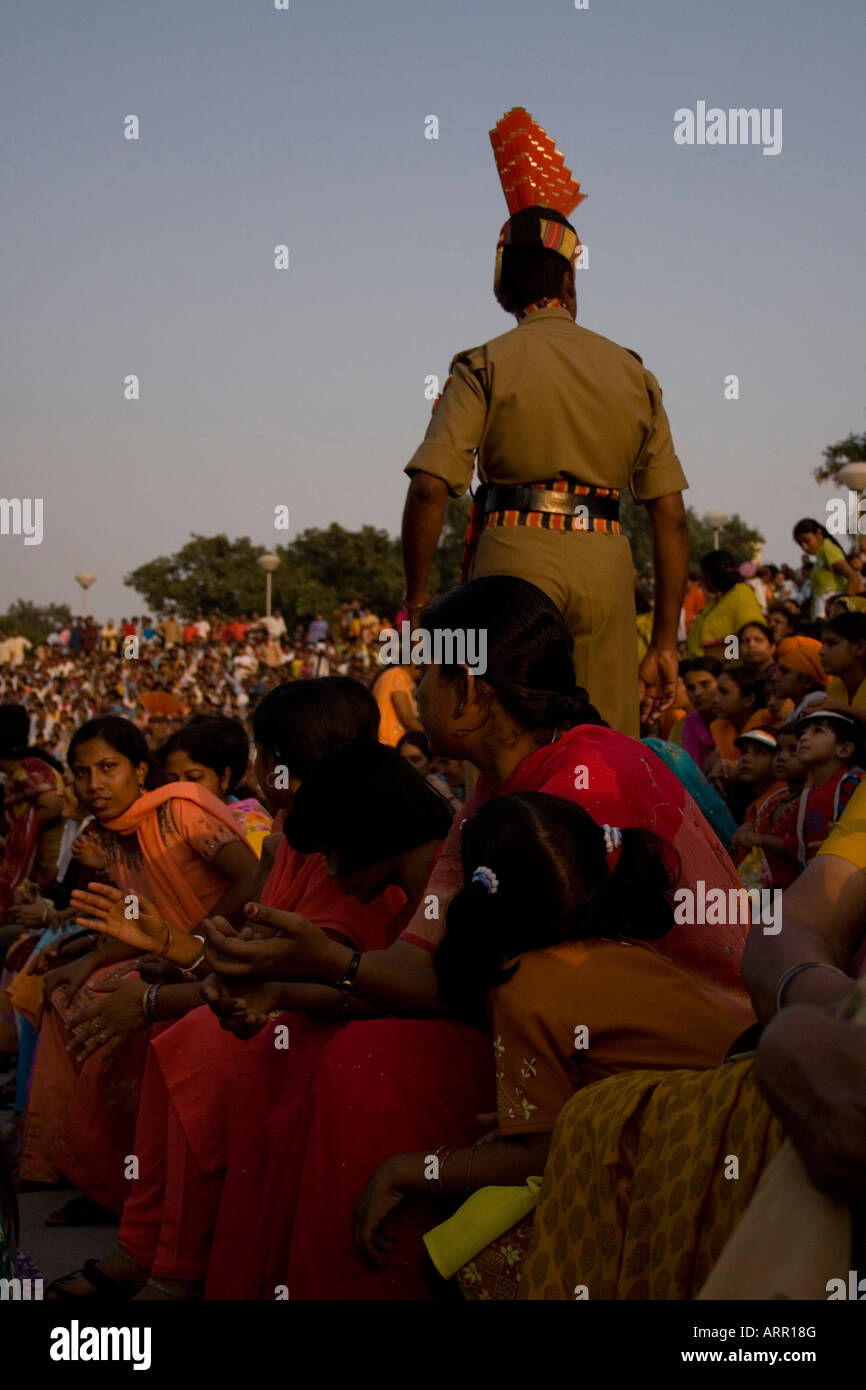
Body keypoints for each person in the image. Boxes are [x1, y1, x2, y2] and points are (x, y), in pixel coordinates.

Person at [198, 576, 754, 1300]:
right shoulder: (493, 792)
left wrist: (328, 964)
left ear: (468, 690)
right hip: (563, 1045)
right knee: (303, 1043)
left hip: (675, 1077)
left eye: (425, 673)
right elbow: (420, 967)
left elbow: (482, 986)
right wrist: (286, 980)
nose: (414, 690)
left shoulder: (589, 777)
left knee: (366, 1064)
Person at [355, 792, 745, 1294]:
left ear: (477, 893)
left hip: (685, 1178)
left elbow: (538, 1157)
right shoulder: (625, 950)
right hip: (732, 1143)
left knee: (463, 1265)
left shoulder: (523, 986)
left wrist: (403, 1171)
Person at [400, 107, 689, 736]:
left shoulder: (483, 363)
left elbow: (429, 487)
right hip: (607, 562)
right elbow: (668, 514)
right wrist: (663, 642)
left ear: (504, 288)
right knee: (604, 743)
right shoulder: (631, 371)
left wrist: (417, 602)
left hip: (513, 552)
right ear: (570, 278)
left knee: (510, 736)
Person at [17, 715, 259, 1217]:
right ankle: (73, 1163)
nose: (95, 784)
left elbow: (250, 878)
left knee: (109, 1012)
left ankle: (125, 1187)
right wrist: (83, 962)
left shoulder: (178, 812)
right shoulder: (109, 835)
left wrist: (192, 947)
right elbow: (134, 921)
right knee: (66, 997)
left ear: (141, 772)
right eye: (82, 773)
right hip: (164, 956)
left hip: (221, 955)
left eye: (109, 767)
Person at [156, 717, 272, 856]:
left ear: (224, 778)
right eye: (171, 779)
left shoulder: (250, 828)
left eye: (194, 778)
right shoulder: (167, 823)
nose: (181, 789)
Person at [785, 710, 865, 869]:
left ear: (844, 749)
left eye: (817, 731)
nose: (803, 738)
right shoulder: (806, 794)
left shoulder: (855, 782)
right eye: (802, 733)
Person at [730, 726, 804, 890]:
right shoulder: (770, 801)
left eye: (759, 752)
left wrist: (758, 839)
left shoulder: (802, 799)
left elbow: (800, 847)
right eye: (743, 752)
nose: (746, 759)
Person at [686, 551, 764, 658]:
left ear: (707, 578)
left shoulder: (741, 595)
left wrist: (712, 659)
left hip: (724, 669)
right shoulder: (719, 599)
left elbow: (753, 639)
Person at [793, 517, 860, 619]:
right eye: (800, 544)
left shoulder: (828, 550)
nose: (804, 547)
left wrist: (842, 609)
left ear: (818, 534)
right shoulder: (821, 555)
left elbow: (853, 578)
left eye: (807, 541)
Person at [772, 635, 829, 723]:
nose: (774, 677)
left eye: (784, 672)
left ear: (807, 681)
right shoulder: (796, 711)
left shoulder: (816, 710)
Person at [677, 656, 722, 769]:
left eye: (705, 684)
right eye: (691, 688)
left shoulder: (733, 719)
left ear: (721, 683)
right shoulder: (688, 724)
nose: (697, 693)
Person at [372, 659, 423, 747]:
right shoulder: (397, 676)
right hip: (391, 742)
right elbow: (407, 719)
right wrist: (428, 738)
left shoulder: (390, 674)